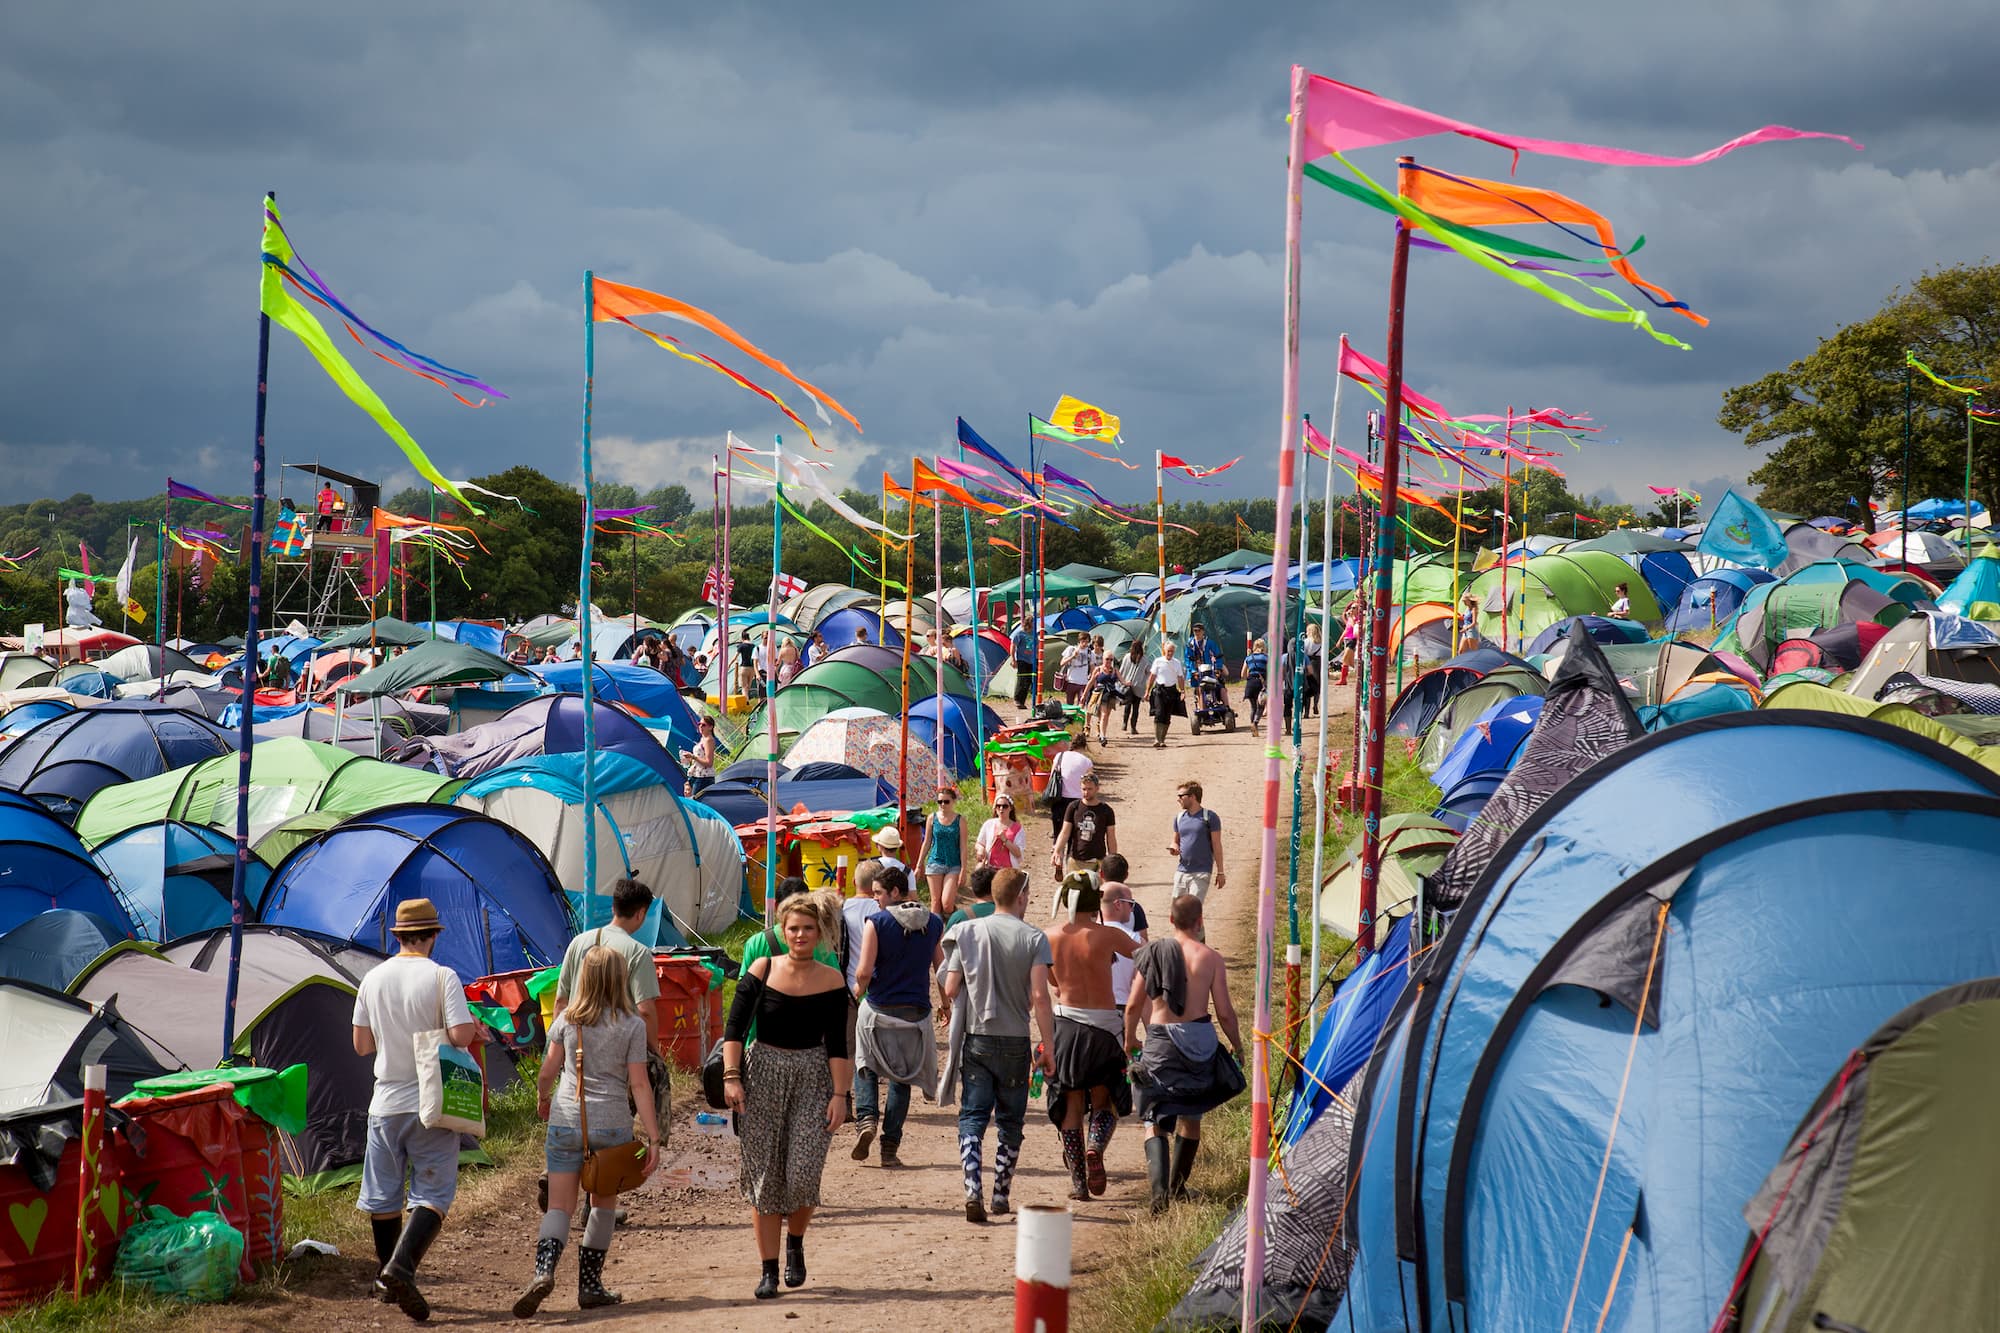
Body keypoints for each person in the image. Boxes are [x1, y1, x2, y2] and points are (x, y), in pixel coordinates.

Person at [351, 899, 479, 1321]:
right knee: (433, 1194)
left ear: (399, 936)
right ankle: (401, 1269)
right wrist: (472, 1027)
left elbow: (362, 1045)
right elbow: (460, 1034)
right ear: (434, 935)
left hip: (384, 1103)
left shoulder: (372, 978)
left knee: (384, 1196)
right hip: (431, 1101)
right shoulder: (442, 975)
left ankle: (386, 1280)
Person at [517, 947, 662, 1315]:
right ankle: (590, 1285)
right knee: (602, 1206)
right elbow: (640, 1085)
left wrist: (542, 1098)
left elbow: (548, 1071)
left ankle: (543, 1270)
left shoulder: (566, 1020)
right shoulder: (632, 1025)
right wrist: (654, 1137)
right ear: (621, 980)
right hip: (612, 1127)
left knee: (560, 1207)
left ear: (583, 978)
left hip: (567, 1120)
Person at [722, 890, 851, 1301]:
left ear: (819, 933)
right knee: (765, 1177)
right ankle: (769, 1270)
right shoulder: (762, 968)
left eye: (807, 929)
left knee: (803, 1172)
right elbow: (735, 1029)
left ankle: (795, 1239)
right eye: (792, 928)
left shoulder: (831, 979)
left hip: (813, 1077)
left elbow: (838, 1044)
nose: (799, 935)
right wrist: (731, 1077)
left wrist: (841, 1095)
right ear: (782, 928)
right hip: (763, 1075)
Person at [939, 868, 1056, 1222]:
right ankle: (1001, 1193)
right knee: (1010, 1120)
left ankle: (972, 1188)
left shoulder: (968, 932)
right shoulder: (1034, 938)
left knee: (973, 1117)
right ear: (1021, 897)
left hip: (977, 1038)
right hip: (1016, 1040)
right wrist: (1048, 1045)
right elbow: (1040, 995)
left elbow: (950, 988)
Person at [1124, 894, 1245, 1213]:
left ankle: (1160, 1192)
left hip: (1162, 1040)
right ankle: (1178, 1188)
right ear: (1200, 921)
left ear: (1171, 920)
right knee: (1191, 1114)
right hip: (1200, 1041)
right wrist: (1238, 1044)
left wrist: (1129, 1041)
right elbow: (1225, 1012)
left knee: (1153, 1112)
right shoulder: (1211, 958)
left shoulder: (1151, 953)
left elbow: (1134, 1005)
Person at [1046, 878, 1138, 1200]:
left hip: (1066, 1026)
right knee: (1103, 1101)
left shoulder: (1050, 936)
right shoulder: (1109, 935)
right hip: (1104, 1027)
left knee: (1071, 1103)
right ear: (1094, 901)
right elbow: (1146, 958)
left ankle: (1078, 1183)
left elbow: (1053, 983)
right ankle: (1095, 1147)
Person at [850, 866, 943, 1167]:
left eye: (878, 892)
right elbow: (940, 968)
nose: (874, 898)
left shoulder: (876, 922)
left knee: (865, 1063)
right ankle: (889, 1146)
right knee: (902, 1078)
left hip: (878, 1009)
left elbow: (864, 971)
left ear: (894, 893)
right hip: (914, 1015)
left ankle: (866, 1118)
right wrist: (946, 1003)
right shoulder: (934, 922)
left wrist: (856, 989)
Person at [1052, 771, 1118, 909]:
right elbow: (1064, 832)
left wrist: (1113, 860)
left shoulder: (1106, 810)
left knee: (1095, 899)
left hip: (1098, 861)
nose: (1086, 792)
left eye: (1089, 789)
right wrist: (1057, 851)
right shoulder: (1073, 807)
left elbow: (1111, 837)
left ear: (1097, 788)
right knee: (1073, 897)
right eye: (1083, 789)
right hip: (1076, 860)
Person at [1098, 857, 1147, 1018]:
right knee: (1127, 1042)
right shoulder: (1135, 909)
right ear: (1126, 875)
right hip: (1124, 993)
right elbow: (1143, 948)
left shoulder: (1091, 908)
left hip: (1098, 1000)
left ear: (1101, 874)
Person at [1168, 780, 1225, 901]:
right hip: (1182, 871)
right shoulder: (1179, 818)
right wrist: (1174, 847)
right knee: (1178, 910)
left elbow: (1216, 845)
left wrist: (1220, 872)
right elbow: (1175, 841)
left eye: (1181, 796)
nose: (1178, 799)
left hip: (1201, 872)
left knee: (1194, 909)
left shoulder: (1210, 817)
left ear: (1192, 797)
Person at [916, 787, 966, 917]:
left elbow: (963, 846)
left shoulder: (960, 820)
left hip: (953, 863)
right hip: (935, 862)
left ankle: (953, 917)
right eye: (940, 802)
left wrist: (963, 870)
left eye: (946, 801)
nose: (943, 804)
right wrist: (919, 864)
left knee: (947, 903)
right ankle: (936, 933)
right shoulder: (932, 818)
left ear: (953, 801)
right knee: (935, 902)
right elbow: (926, 842)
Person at [1044, 738, 1093, 839]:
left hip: (1058, 797)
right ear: (1084, 747)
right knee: (1073, 832)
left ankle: (1056, 848)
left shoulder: (1060, 756)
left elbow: (1051, 776)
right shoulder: (1087, 761)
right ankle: (1070, 851)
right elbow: (1089, 783)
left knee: (1058, 829)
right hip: (1077, 799)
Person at [1148, 638, 1189, 749]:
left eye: (1172, 651)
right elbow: (1152, 677)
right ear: (1164, 650)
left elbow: (1180, 678)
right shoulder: (1158, 661)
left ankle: (1162, 739)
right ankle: (1157, 739)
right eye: (1168, 651)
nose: (1170, 653)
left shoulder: (1176, 663)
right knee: (1159, 713)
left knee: (1167, 716)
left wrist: (1182, 691)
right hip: (1159, 691)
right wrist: (1147, 691)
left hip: (1171, 691)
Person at [975, 794, 1025, 871]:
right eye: (998, 806)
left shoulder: (1018, 828)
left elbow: (1018, 854)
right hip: (990, 868)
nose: (1001, 809)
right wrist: (980, 849)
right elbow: (979, 843)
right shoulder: (988, 824)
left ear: (1010, 808)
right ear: (995, 808)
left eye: (1005, 806)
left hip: (1009, 871)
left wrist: (1005, 840)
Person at [945, 864, 999, 930]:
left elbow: (946, 939)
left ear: (973, 891)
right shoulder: (1009, 915)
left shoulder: (958, 917)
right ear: (995, 888)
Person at [1086, 649, 1120, 747]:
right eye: (1107, 659)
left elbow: (1123, 681)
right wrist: (1084, 695)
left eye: (1111, 659)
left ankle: (1102, 733)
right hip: (1100, 694)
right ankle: (1102, 736)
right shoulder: (1098, 669)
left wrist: (1129, 684)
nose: (1109, 661)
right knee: (1103, 714)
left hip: (1111, 695)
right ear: (1103, 659)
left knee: (1106, 716)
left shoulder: (1115, 670)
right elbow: (1091, 682)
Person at [1116, 639, 1149, 734]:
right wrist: (1143, 680)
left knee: (1128, 705)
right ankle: (1133, 727)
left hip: (1127, 685)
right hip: (1138, 686)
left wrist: (1123, 681)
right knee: (1136, 708)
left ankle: (1124, 723)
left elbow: (1121, 670)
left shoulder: (1126, 657)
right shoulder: (1144, 660)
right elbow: (1149, 672)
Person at [681, 715, 719, 796]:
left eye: (704, 725)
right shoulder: (703, 739)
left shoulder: (709, 740)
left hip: (704, 777)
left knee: (696, 801)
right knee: (688, 796)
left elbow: (709, 763)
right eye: (699, 724)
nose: (700, 726)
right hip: (696, 774)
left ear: (710, 727)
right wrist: (690, 758)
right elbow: (700, 757)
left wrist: (693, 756)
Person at [1010, 618, 1038, 711]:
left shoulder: (1034, 634)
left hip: (1032, 660)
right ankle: (1017, 699)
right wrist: (1013, 659)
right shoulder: (1020, 634)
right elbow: (1013, 646)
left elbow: (1037, 646)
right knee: (1022, 679)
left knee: (1029, 681)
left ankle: (1022, 701)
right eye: (1032, 622)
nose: (1034, 624)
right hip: (1022, 660)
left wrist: (1037, 658)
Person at [1242, 638, 1270, 728]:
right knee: (1260, 706)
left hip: (1250, 683)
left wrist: (1249, 679)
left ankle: (1252, 726)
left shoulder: (1248, 658)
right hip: (1260, 684)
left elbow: (1242, 674)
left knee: (1253, 707)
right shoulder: (1266, 658)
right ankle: (1255, 723)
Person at [1059, 632, 1092, 705]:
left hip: (1083, 682)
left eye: (1087, 642)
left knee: (1081, 704)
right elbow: (1062, 663)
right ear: (1079, 641)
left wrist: (1091, 676)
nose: (1085, 644)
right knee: (1069, 705)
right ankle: (1070, 717)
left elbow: (1092, 667)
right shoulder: (1071, 649)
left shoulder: (1090, 652)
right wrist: (1072, 657)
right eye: (1083, 641)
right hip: (1071, 681)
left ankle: (1079, 716)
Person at [1301, 623, 1323, 718]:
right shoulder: (1321, 642)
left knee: (1307, 687)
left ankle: (1306, 712)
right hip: (1318, 663)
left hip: (1308, 662)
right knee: (1317, 685)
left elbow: (1303, 654)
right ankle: (1315, 704)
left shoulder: (1306, 641)